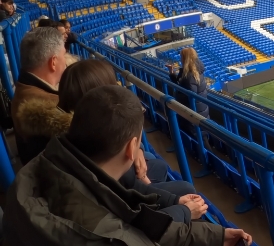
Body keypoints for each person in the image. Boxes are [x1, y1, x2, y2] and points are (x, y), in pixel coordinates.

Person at [3, 85, 274, 246]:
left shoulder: (59, 174)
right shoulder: (94, 237)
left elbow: (134, 232)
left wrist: (215, 236)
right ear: (132, 149)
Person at [16, 59, 203, 223]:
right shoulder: (96, 154)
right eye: (114, 86)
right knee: (184, 187)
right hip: (130, 222)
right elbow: (132, 214)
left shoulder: (69, 138)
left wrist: (136, 154)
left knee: (157, 166)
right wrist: (182, 211)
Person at [11, 27, 68, 164]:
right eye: (64, 55)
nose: (66, 61)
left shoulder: (24, 88)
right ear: (53, 62)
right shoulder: (52, 105)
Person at [169, 47, 209, 119]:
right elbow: (182, 85)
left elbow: (189, 96)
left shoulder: (189, 76)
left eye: (181, 57)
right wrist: (172, 74)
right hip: (200, 111)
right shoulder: (196, 70)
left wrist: (175, 95)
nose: (180, 59)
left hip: (194, 115)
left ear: (184, 59)